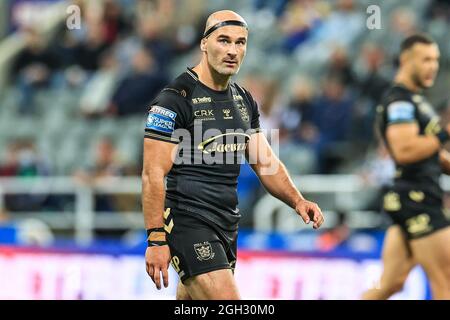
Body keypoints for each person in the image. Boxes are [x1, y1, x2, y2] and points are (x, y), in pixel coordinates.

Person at [142, 10, 324, 300]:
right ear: (204, 43)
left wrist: (297, 200)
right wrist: (155, 239)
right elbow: (153, 174)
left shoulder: (243, 99)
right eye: (224, 41)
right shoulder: (173, 100)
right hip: (187, 222)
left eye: (240, 43)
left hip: (226, 223)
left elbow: (265, 163)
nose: (232, 51)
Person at [362, 34, 450, 300]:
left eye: (435, 60)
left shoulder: (415, 100)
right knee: (445, 283)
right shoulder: (400, 101)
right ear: (405, 60)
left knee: (390, 283)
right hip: (419, 198)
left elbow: (430, 154)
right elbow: (405, 150)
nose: (432, 66)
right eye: (425, 60)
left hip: (406, 199)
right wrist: (444, 134)